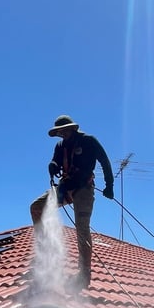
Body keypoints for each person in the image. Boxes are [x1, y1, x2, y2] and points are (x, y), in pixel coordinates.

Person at [30, 115, 114, 290]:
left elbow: (104, 161)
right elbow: (57, 161)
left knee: (82, 228)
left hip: (84, 188)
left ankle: (84, 274)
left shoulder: (88, 141)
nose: (62, 134)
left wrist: (109, 185)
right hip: (64, 188)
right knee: (36, 207)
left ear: (73, 129)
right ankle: (44, 255)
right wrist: (53, 165)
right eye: (60, 132)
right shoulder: (60, 146)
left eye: (65, 130)